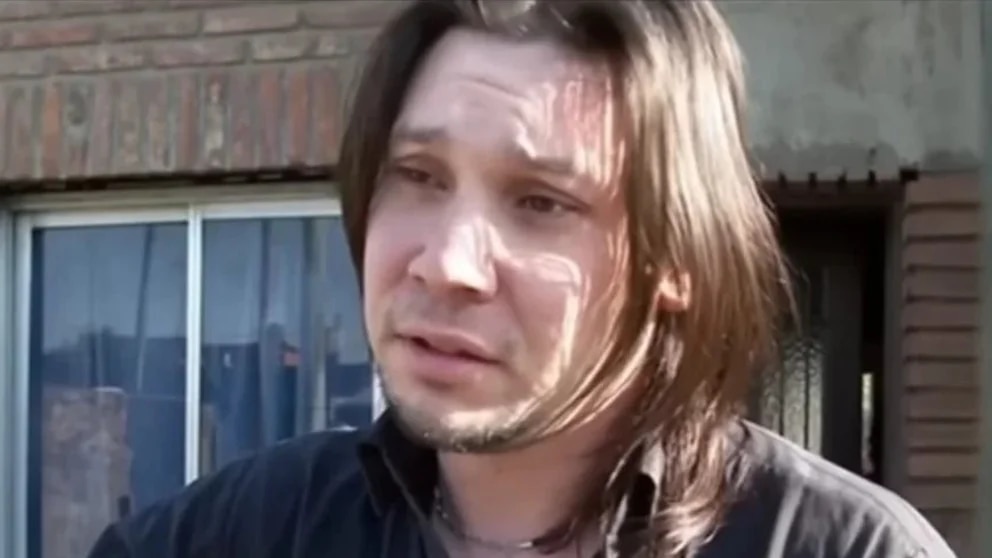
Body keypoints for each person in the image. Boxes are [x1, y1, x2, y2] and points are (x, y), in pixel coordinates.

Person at [88, 1, 956, 557]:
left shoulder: (842, 548)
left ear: (677, 261)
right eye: (418, 175)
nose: (448, 263)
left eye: (540, 203)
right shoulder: (235, 535)